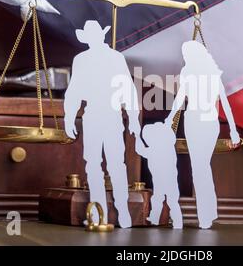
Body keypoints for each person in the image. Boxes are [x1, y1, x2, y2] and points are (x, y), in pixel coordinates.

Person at [64, 20, 141, 228]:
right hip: (91, 116)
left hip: (112, 114)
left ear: (101, 36)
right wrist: (69, 116)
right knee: (93, 166)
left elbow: (128, 88)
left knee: (116, 164)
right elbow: (74, 90)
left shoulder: (116, 58)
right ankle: (98, 213)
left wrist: (133, 117)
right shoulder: (81, 59)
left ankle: (123, 212)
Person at [166, 40, 241, 229]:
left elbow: (225, 103)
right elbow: (179, 100)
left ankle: (207, 214)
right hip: (193, 122)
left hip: (206, 123)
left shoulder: (212, 75)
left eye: (187, 54)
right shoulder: (188, 73)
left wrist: (233, 130)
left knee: (200, 168)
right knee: (201, 168)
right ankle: (208, 213)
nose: (185, 58)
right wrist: (169, 120)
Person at [136, 122, 183, 229]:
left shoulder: (155, 150)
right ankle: (176, 222)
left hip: (161, 180)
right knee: (170, 200)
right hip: (170, 180)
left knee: (159, 199)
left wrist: (137, 137)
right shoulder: (169, 149)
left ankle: (157, 219)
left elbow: (140, 150)